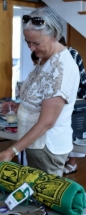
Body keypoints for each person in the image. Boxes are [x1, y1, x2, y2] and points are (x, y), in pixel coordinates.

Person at [0, 6, 80, 177]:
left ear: (54, 35)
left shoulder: (60, 69)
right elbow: (40, 100)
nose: (31, 48)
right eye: (27, 42)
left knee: (44, 197)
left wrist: (11, 151)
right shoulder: (46, 59)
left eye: (36, 43)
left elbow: (47, 122)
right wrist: (20, 107)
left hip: (46, 147)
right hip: (36, 144)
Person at [58, 36, 86, 174]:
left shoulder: (71, 54)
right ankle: (65, 161)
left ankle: (72, 163)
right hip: (67, 97)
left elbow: (71, 79)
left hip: (78, 97)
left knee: (74, 132)